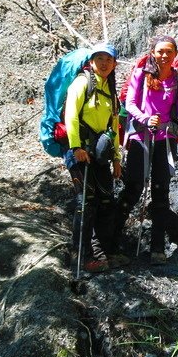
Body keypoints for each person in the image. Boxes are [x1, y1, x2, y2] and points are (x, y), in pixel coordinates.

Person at [117, 35, 178, 262]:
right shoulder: (141, 74)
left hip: (165, 140)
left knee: (161, 191)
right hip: (141, 137)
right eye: (160, 51)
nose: (165, 56)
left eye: (169, 52)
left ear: (176, 54)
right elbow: (129, 103)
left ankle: (157, 249)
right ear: (153, 52)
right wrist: (145, 118)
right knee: (133, 188)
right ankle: (110, 244)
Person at [64, 43, 123, 273]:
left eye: (109, 59)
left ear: (115, 64)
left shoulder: (110, 91)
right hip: (80, 152)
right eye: (100, 58)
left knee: (107, 202)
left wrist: (117, 158)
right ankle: (80, 259)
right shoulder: (82, 83)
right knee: (85, 205)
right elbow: (71, 115)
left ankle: (102, 253)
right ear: (91, 61)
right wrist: (76, 146)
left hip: (100, 155)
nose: (104, 63)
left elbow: (114, 127)